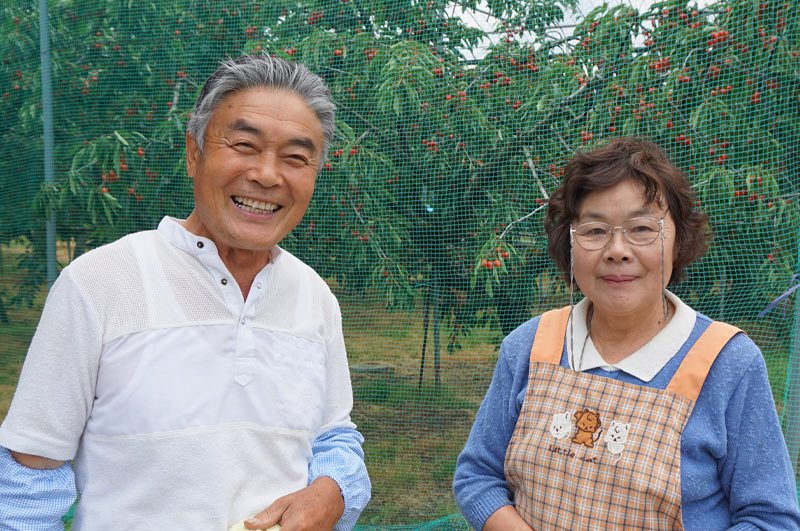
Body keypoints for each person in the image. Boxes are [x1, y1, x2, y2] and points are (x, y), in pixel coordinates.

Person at [0, 54, 370, 530]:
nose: (267, 175)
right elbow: (30, 475)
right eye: (244, 145)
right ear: (194, 153)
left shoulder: (315, 297)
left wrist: (333, 491)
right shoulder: (98, 283)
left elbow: (334, 437)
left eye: (296, 158)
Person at [452, 137, 800, 530]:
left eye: (642, 228)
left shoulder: (728, 364)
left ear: (679, 241)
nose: (617, 250)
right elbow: (477, 476)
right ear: (569, 243)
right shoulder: (530, 345)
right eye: (595, 230)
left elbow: (770, 519)